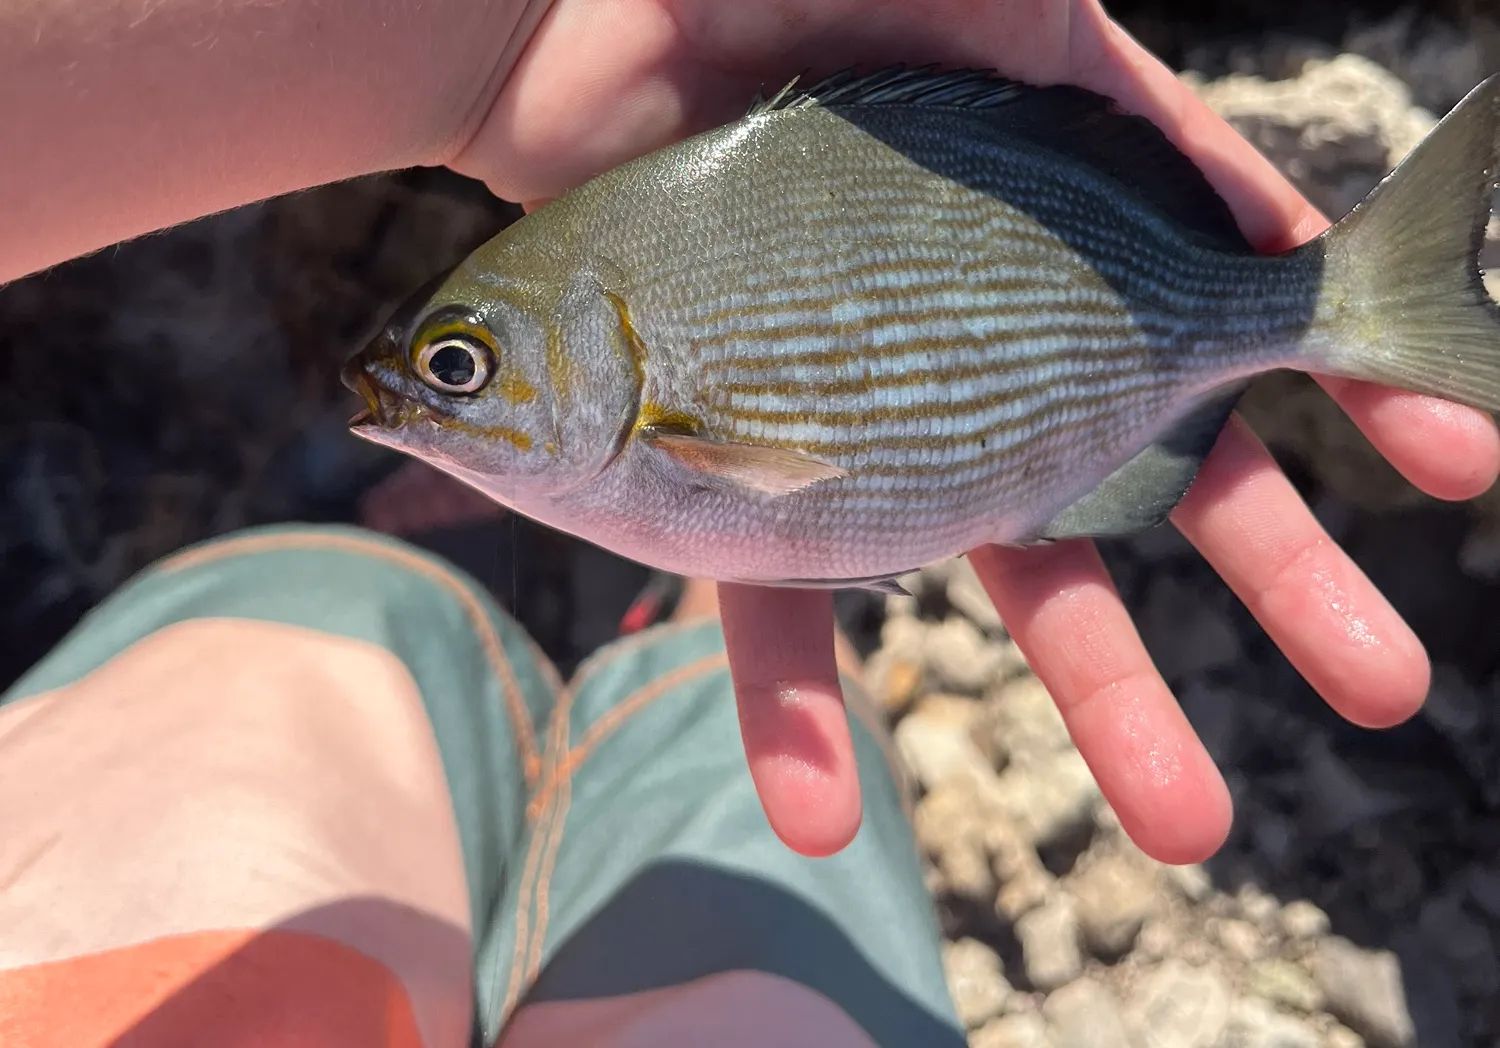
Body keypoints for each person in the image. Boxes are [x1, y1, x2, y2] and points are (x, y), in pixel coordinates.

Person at [0, 1, 1492, 1044]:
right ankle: (636, 651)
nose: (426, 393)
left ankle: (510, 622)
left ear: (623, 377)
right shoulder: (615, 369)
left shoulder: (644, 403)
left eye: (463, 369)